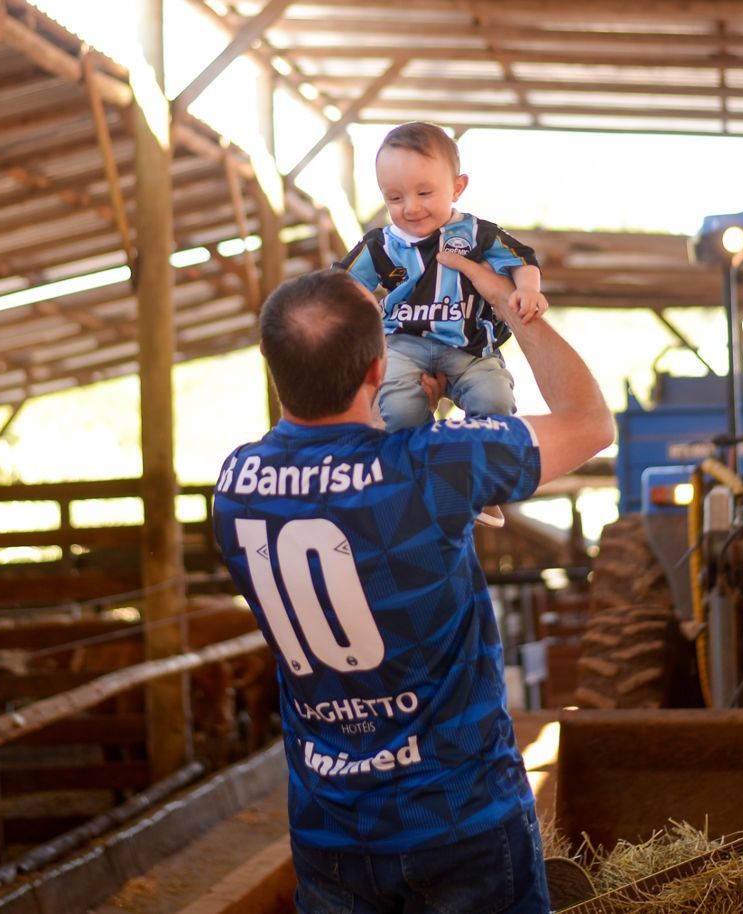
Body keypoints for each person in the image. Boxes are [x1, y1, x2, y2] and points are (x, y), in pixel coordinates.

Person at [214, 260, 613, 914]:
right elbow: (590, 422)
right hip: (461, 823)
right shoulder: (434, 464)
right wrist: (508, 303)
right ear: (379, 369)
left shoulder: (237, 484)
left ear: (269, 359)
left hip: (330, 834)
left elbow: (331, 470)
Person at [336, 122, 546, 433]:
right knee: (399, 410)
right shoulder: (380, 245)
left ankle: (479, 451)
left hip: (471, 347)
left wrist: (528, 289)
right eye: (395, 198)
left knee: (495, 401)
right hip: (403, 345)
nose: (411, 207)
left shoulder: (477, 233)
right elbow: (340, 285)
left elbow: (522, 258)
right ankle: (423, 447)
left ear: (457, 188)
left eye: (424, 193)